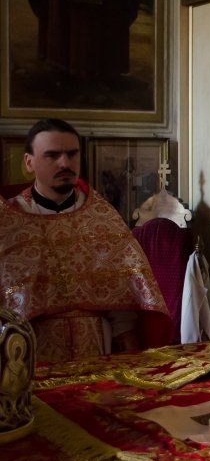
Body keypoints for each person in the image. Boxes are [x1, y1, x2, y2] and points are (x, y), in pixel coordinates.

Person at [0, 118, 170, 363]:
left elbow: (125, 299)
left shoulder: (102, 218)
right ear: (29, 162)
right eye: (52, 155)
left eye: (72, 154)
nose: (64, 163)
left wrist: (130, 354)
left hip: (97, 352)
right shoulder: (7, 223)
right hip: (29, 356)